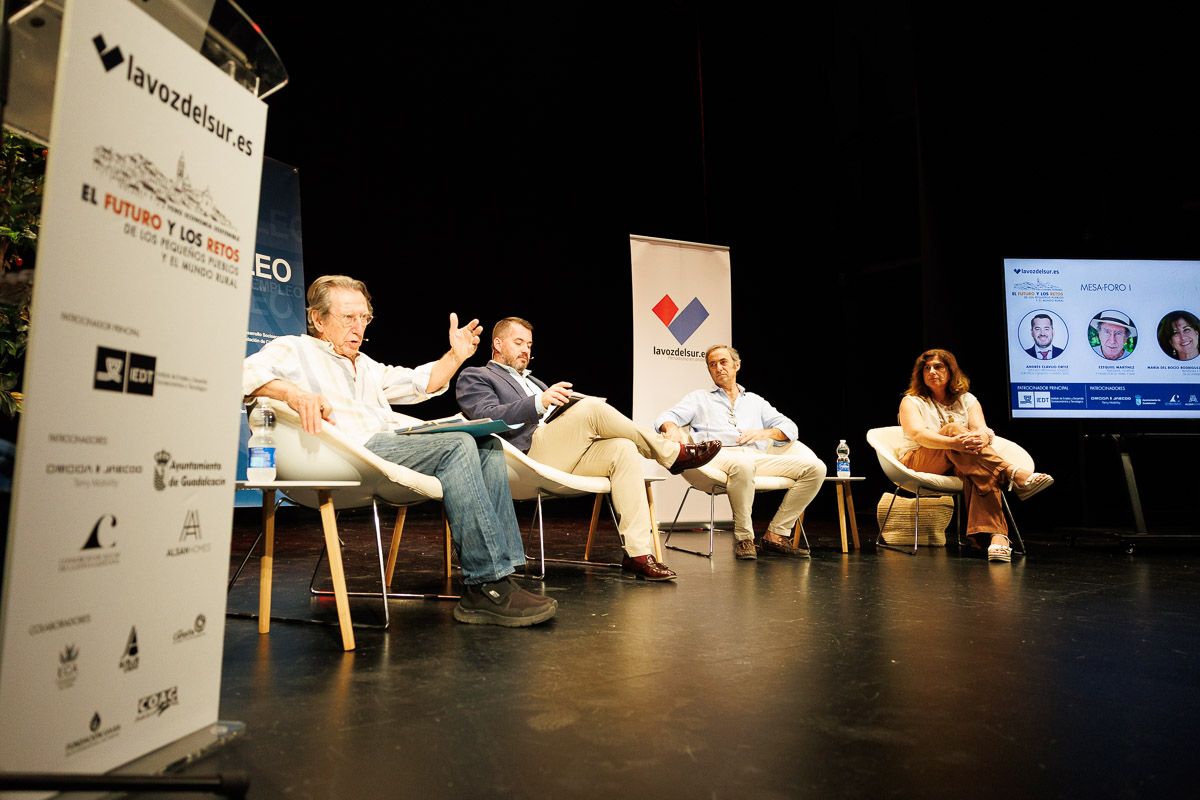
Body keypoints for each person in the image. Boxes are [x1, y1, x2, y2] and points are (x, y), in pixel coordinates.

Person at [242, 276, 556, 627]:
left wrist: (455, 355)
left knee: (486, 443)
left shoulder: (366, 365)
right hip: (347, 452)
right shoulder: (294, 349)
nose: (358, 327)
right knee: (457, 444)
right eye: (349, 318)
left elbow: (423, 383)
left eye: (364, 318)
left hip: (387, 446)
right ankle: (484, 584)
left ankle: (504, 574)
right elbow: (244, 374)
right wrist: (294, 394)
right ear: (317, 319)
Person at [455, 317, 724, 581]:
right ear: (498, 344)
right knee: (591, 408)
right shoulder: (476, 376)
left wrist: (558, 404)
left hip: (558, 455)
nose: (526, 349)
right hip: (522, 459)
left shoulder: (536, 382)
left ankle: (637, 554)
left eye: (529, 344)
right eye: (518, 342)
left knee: (622, 448)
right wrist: (539, 402)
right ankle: (671, 453)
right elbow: (487, 416)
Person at [654, 345, 826, 561]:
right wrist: (671, 429)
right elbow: (665, 417)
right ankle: (744, 537)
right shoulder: (699, 398)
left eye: (723, 362)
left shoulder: (755, 401)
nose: (718, 368)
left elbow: (790, 428)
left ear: (737, 365)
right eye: (712, 364)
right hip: (715, 456)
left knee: (816, 469)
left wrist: (765, 433)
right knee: (743, 466)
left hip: (754, 456)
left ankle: (776, 533)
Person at [897, 348, 1053, 563]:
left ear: (951, 371)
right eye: (927, 368)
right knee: (954, 429)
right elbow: (919, 434)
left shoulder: (967, 399)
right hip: (918, 460)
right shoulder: (912, 401)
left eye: (938, 367)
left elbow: (983, 429)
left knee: (978, 471)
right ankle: (1012, 473)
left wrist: (982, 439)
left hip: (959, 459)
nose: (932, 371)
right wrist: (954, 442)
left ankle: (997, 538)